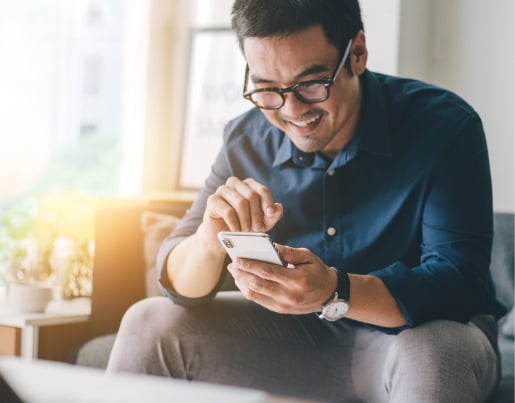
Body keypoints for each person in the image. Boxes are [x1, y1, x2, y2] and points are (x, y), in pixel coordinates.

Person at [107, 1, 507, 402]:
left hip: (419, 338)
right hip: (298, 343)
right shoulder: (246, 140)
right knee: (148, 323)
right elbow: (175, 281)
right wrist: (209, 243)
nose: (292, 110)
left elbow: (458, 283)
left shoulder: (444, 127)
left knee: (433, 352)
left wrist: (335, 291)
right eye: (266, 88)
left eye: (311, 84)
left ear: (357, 53)